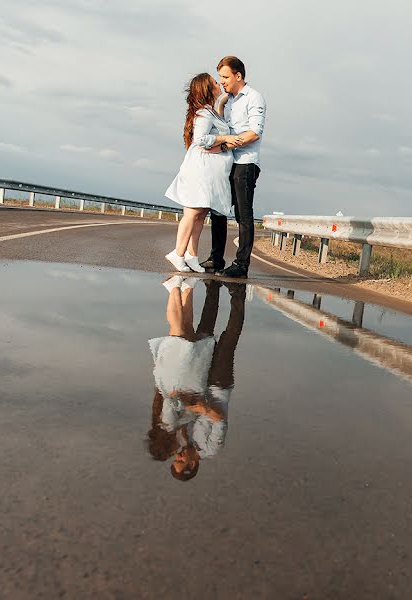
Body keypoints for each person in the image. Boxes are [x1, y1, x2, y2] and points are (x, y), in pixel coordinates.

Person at [146, 277, 246, 481]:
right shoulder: (210, 449)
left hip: (199, 380)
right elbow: (220, 421)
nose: (179, 455)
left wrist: (186, 404)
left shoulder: (185, 438)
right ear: (192, 464)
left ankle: (213, 288)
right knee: (229, 338)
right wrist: (203, 409)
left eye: (176, 458)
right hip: (218, 385)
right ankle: (238, 295)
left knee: (203, 330)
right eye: (181, 460)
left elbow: (179, 408)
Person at [163, 73, 242, 273]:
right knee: (193, 212)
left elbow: (217, 125)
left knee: (201, 214)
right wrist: (225, 138)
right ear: (208, 89)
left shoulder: (212, 112)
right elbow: (200, 139)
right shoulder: (204, 113)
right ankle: (178, 253)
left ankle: (192, 256)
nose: (219, 83)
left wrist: (225, 99)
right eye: (216, 82)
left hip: (210, 172)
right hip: (201, 170)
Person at [202, 56, 266, 279]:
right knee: (218, 209)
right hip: (226, 161)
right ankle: (216, 258)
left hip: (245, 163)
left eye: (226, 77)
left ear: (238, 76)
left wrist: (230, 141)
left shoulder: (254, 98)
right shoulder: (226, 100)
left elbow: (255, 131)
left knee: (243, 214)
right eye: (220, 77)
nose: (222, 81)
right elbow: (220, 127)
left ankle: (241, 264)